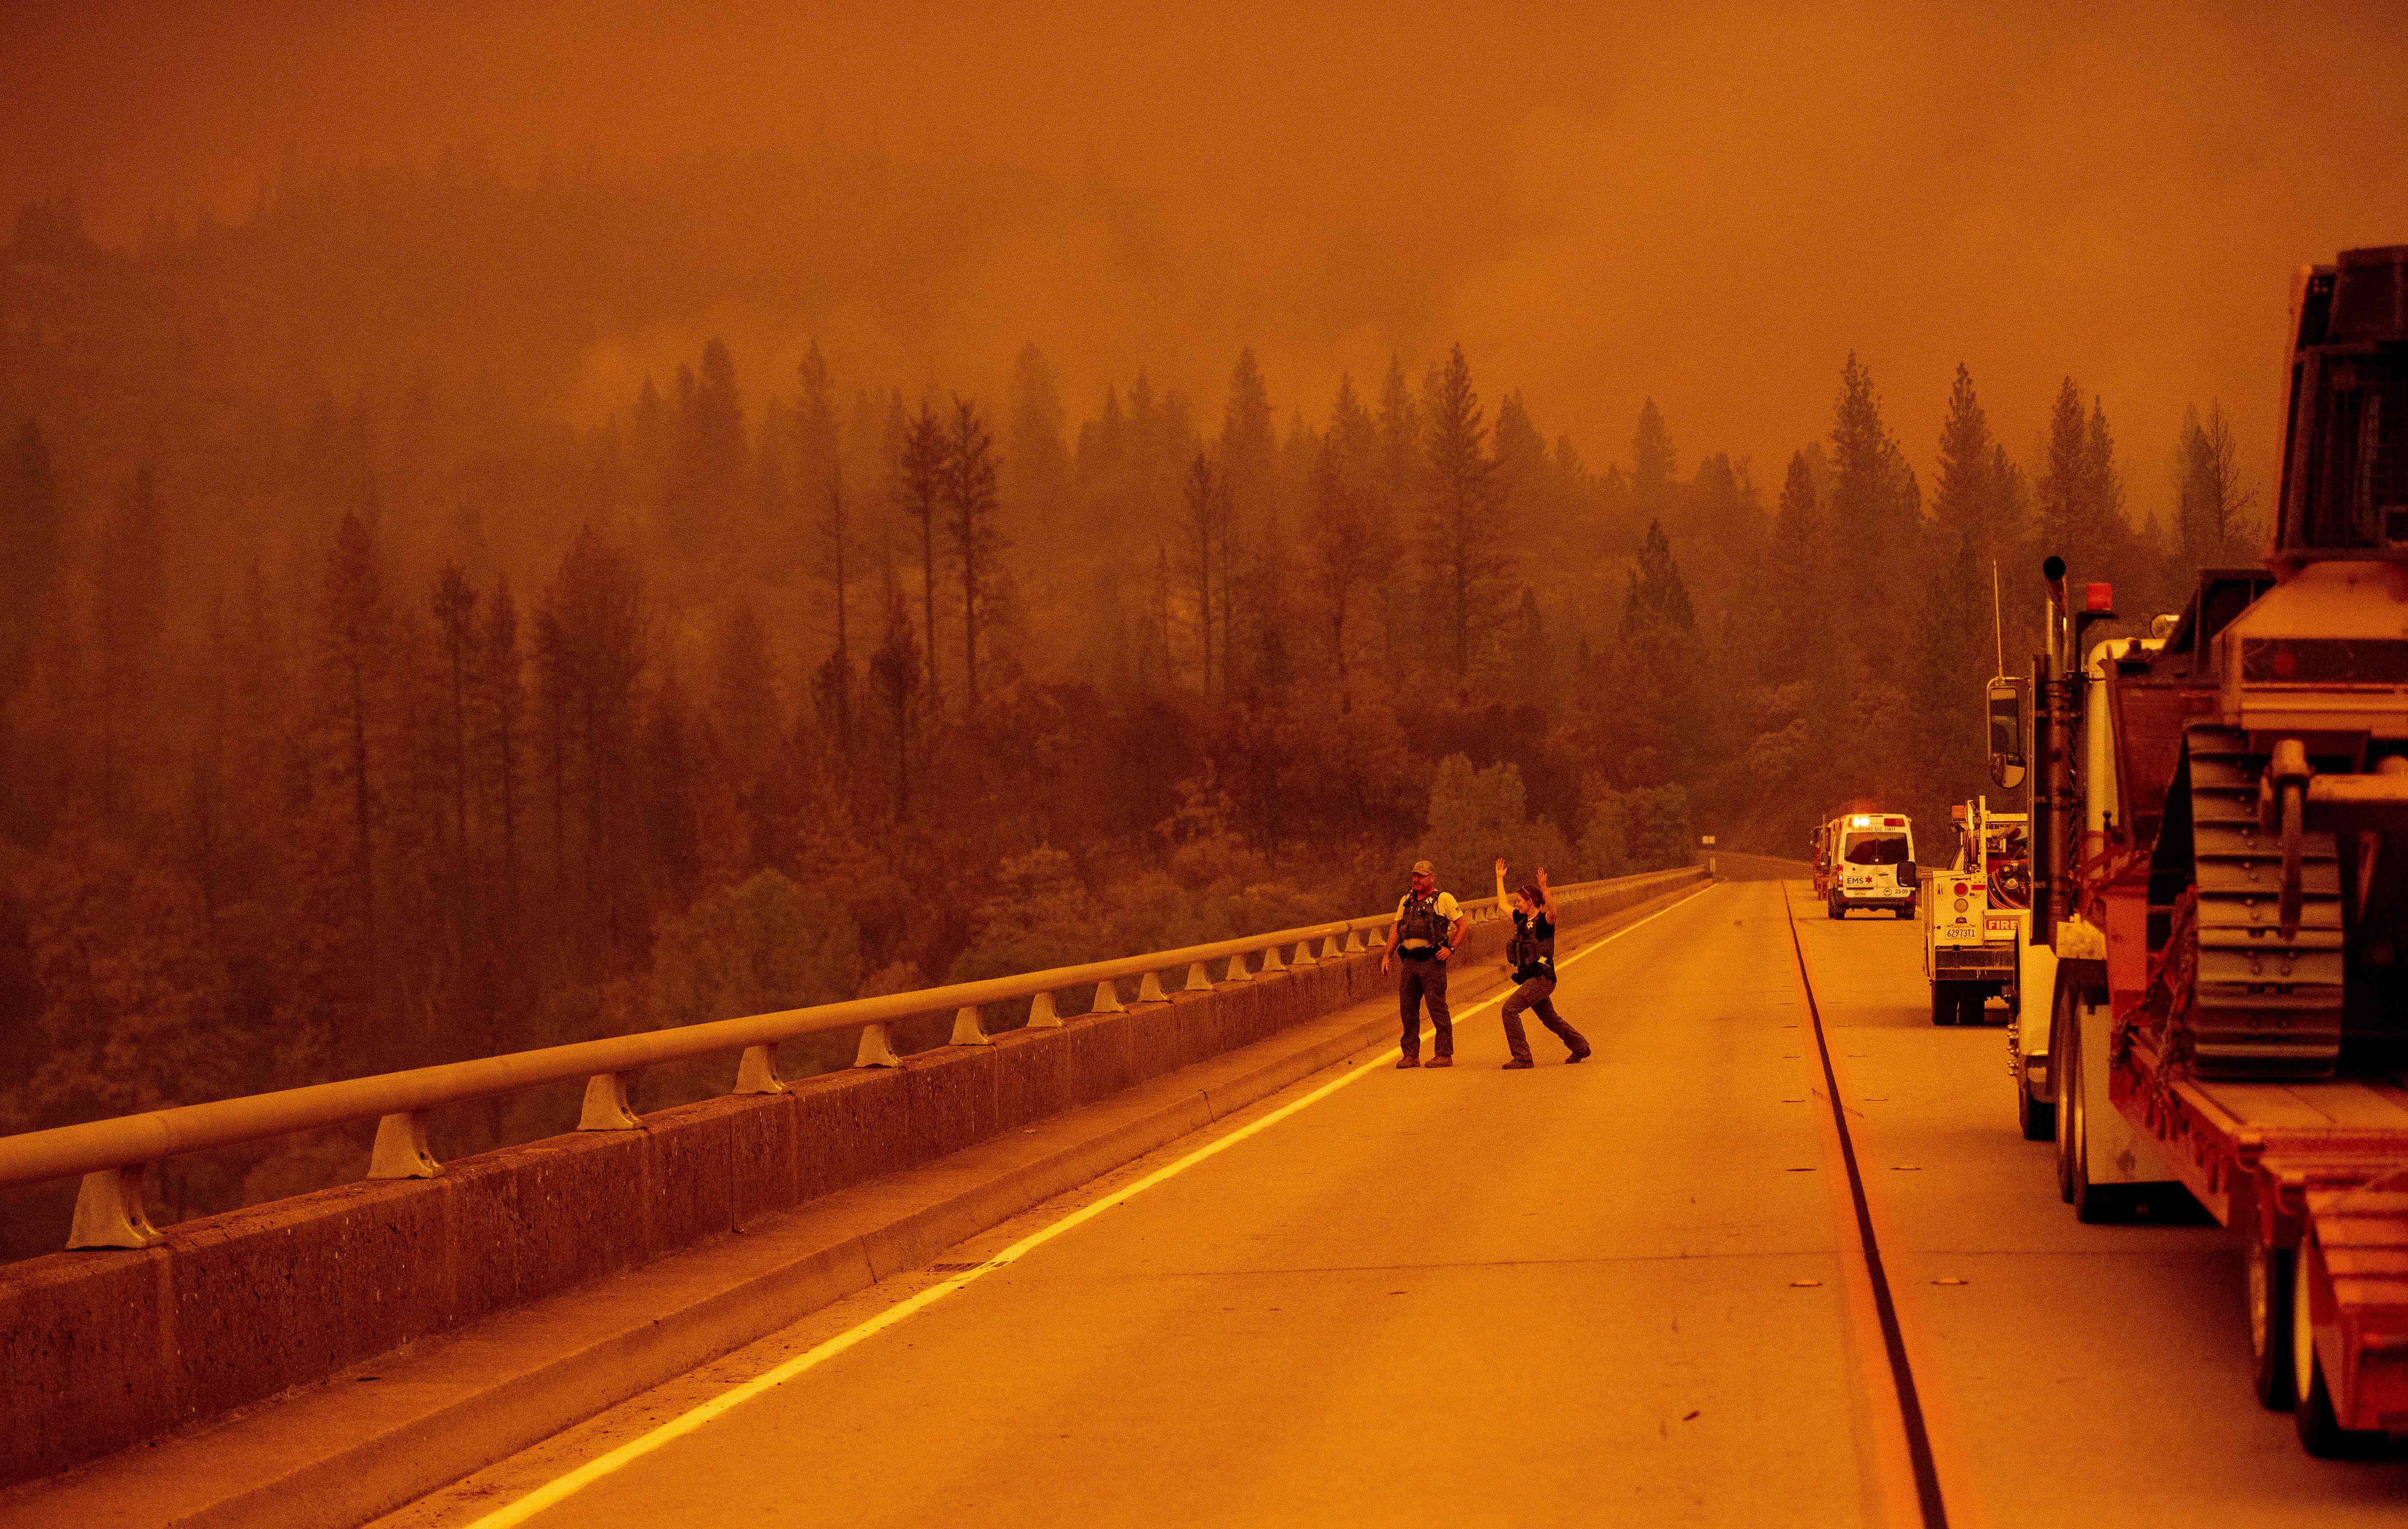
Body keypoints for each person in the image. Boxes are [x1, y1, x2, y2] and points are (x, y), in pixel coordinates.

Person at [1494, 858, 1590, 1069]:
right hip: (1531, 978)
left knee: (1509, 1010)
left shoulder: (1544, 922)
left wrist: (1545, 889)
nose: (1517, 903)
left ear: (1530, 902)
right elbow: (1502, 905)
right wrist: (1500, 879)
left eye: (1520, 900)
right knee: (1550, 1019)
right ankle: (1580, 1046)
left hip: (1542, 979)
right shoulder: (1521, 920)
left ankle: (1522, 1057)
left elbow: (1554, 912)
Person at [1381, 859, 1464, 1068]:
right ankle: (1410, 1055)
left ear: (1432, 878)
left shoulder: (1443, 899)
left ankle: (1444, 1054)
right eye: (1415, 876)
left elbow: (1463, 925)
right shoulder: (1406, 901)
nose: (1416, 880)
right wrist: (1386, 956)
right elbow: (1396, 929)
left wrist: (1450, 949)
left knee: (1437, 1008)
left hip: (1432, 962)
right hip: (1409, 962)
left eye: (1421, 876)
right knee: (1408, 1009)